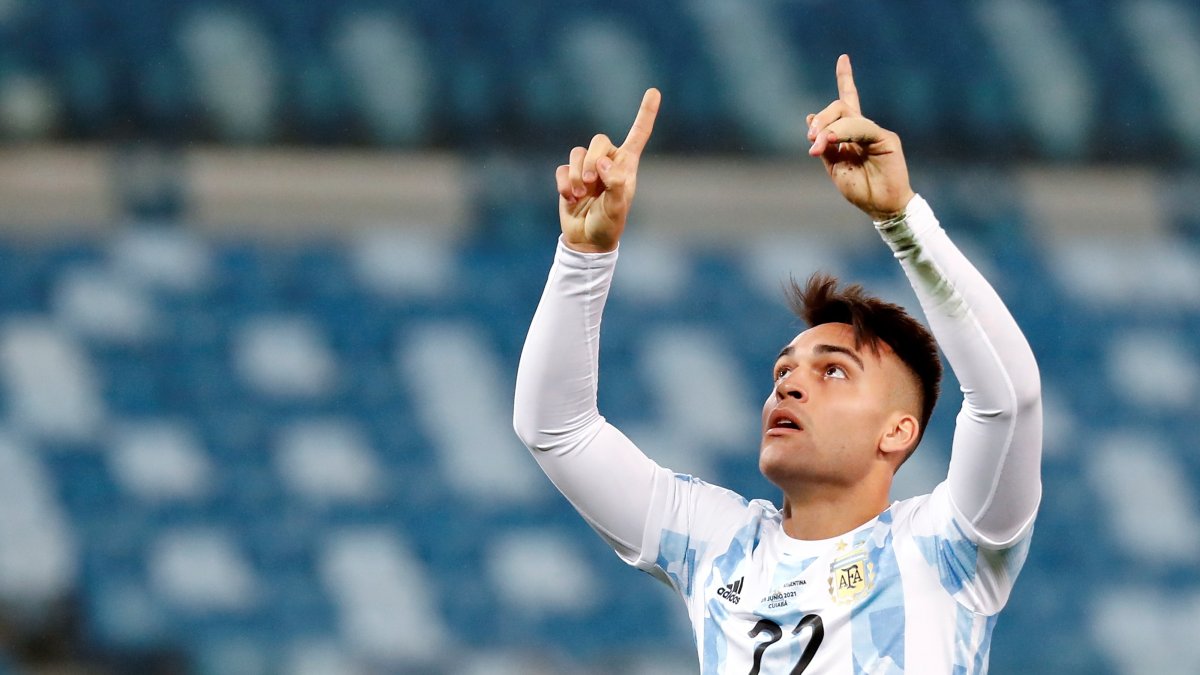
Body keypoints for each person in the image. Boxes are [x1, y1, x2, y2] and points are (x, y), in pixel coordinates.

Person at [513, 55, 1042, 674]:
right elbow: (555, 428)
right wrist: (583, 255)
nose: (790, 385)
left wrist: (901, 220)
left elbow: (1009, 400)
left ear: (898, 431)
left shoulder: (949, 547)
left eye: (834, 370)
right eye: (783, 371)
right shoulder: (718, 546)